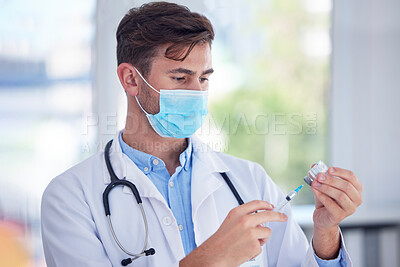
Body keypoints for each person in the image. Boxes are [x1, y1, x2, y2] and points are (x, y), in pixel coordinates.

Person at [41, 2, 363, 266]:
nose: (197, 92)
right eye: (181, 78)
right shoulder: (71, 197)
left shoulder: (249, 180)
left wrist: (325, 234)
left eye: (204, 78)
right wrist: (209, 260)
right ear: (131, 79)